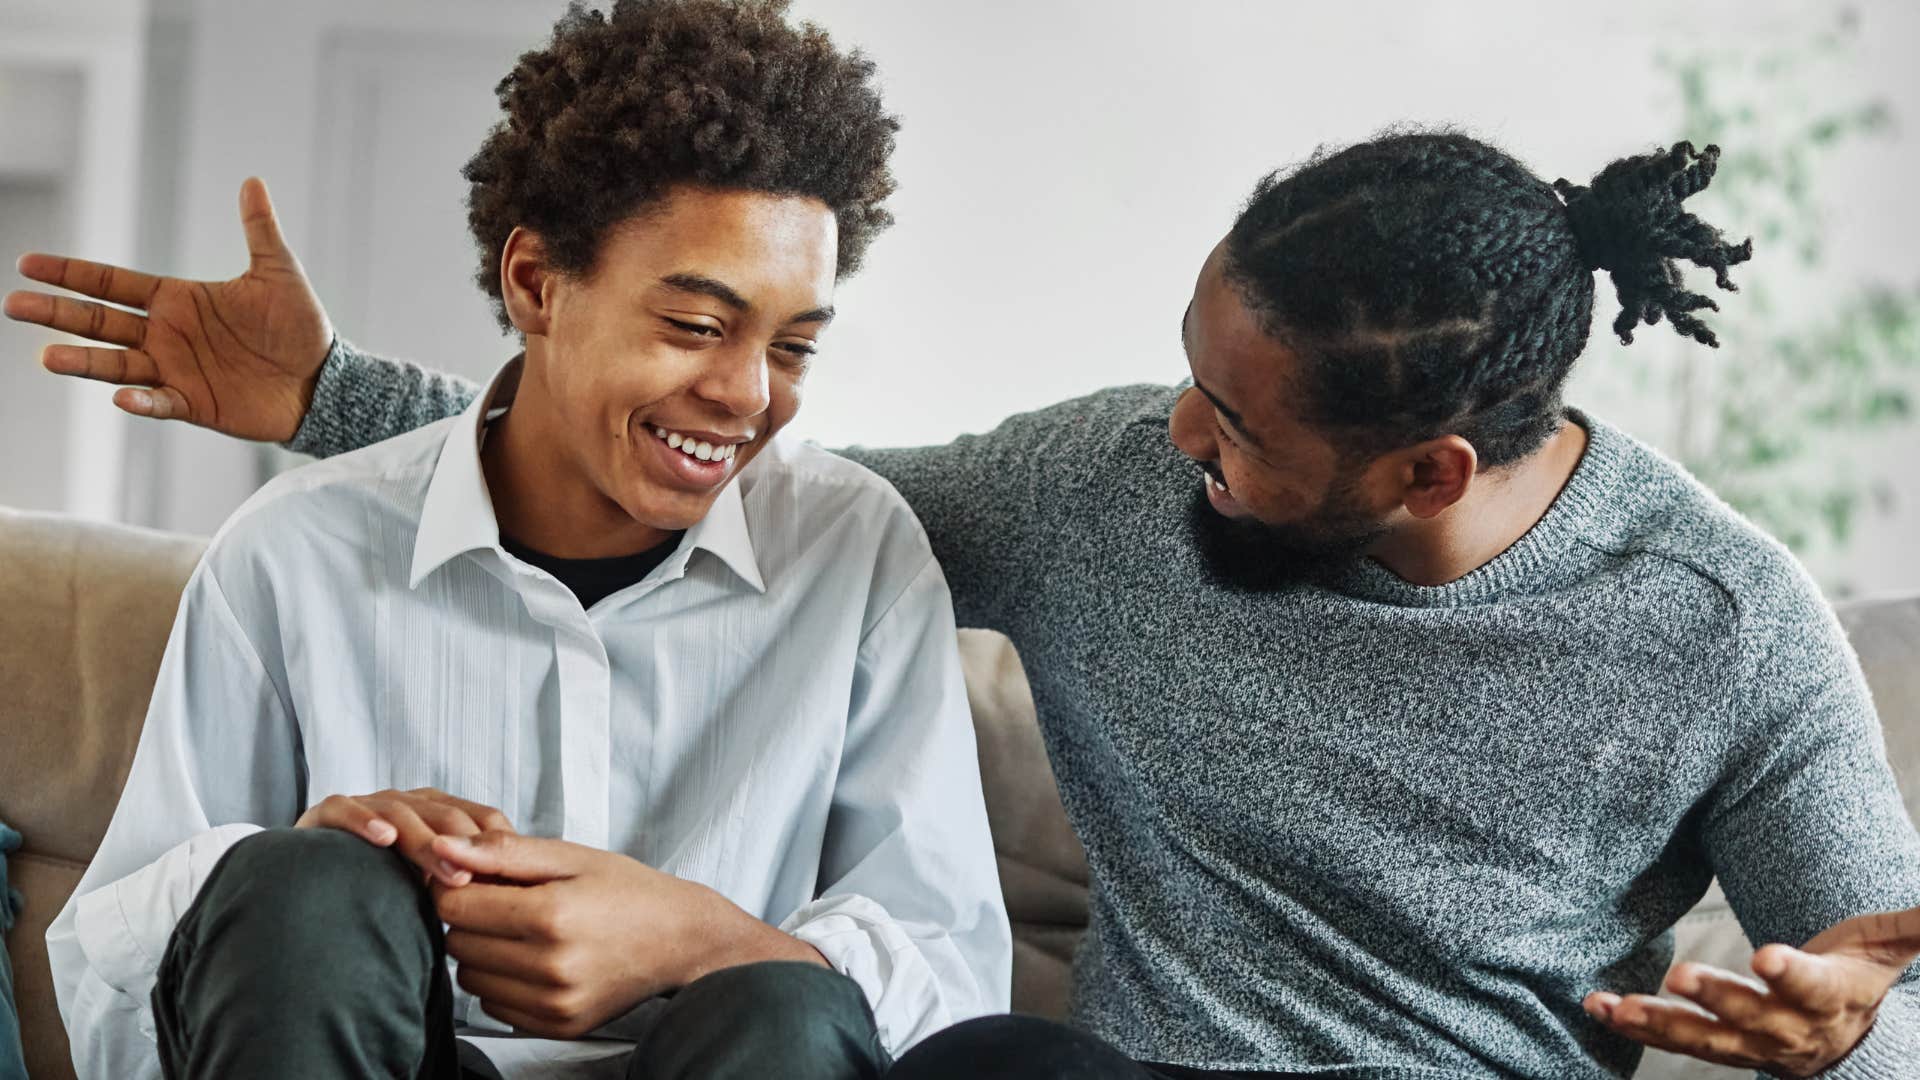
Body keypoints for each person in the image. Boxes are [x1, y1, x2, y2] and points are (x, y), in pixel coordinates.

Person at [11, 116, 1920, 1079]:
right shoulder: (1109, 484)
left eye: (1238, 423)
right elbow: (737, 476)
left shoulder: (1720, 622)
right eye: (1189, 357)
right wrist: (334, 405)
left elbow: (1871, 960)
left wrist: (1848, 1025)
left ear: (1426, 471)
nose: (1175, 427)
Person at [20, 3, 1011, 1078]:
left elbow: (951, 985)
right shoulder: (294, 551)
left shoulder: (856, 553)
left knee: (786, 1010)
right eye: (694, 327)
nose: (745, 393)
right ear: (535, 282)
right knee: (300, 887)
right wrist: (307, 863)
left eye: (794, 346)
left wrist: (692, 934)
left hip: (719, 1061)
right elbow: (111, 976)